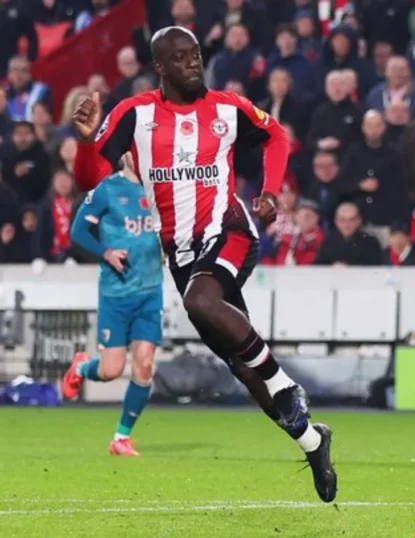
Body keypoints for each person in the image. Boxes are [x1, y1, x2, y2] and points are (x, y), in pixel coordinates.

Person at [68, 26, 336, 502]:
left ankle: (288, 387)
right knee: (241, 366)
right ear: (160, 67)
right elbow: (89, 177)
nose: (193, 63)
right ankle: (313, 441)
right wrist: (88, 141)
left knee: (200, 302)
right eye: (181, 57)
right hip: (183, 253)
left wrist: (270, 189)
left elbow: (276, 136)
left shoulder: (228, 108)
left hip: (230, 230)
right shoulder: (135, 114)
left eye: (195, 54)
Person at [61, 154, 161, 456]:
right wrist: (105, 252)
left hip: (150, 291)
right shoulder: (107, 190)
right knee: (111, 370)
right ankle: (82, 366)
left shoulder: (160, 188)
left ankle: (121, 437)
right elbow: (78, 231)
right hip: (116, 295)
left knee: (144, 365)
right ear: (125, 155)